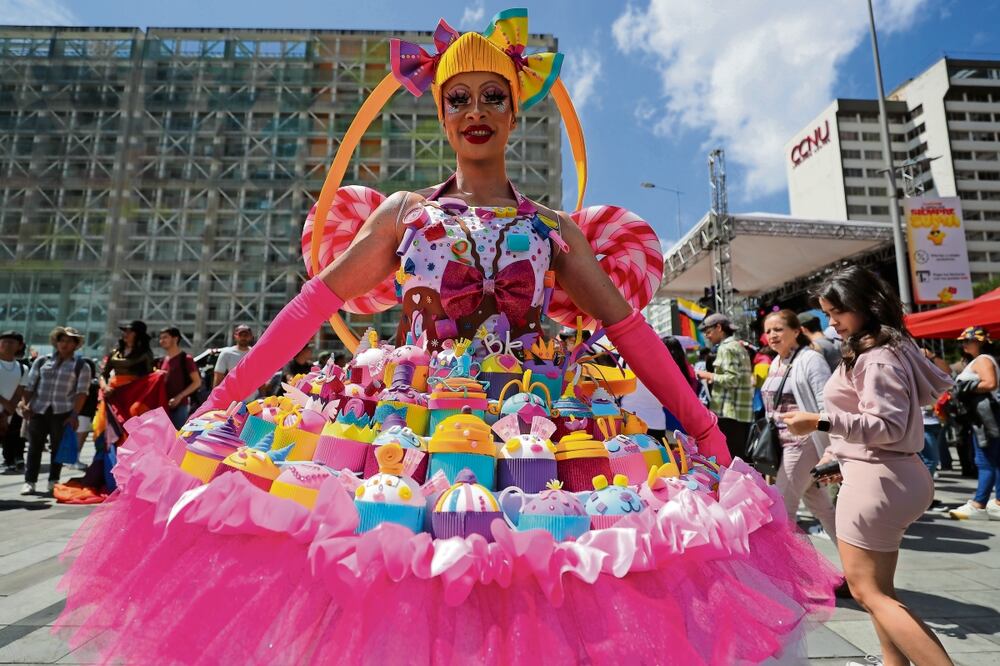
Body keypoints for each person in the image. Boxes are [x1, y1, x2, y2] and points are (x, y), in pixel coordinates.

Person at [55, 11, 840, 663]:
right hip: (405, 423)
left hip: (539, 431)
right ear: (440, 112)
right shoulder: (403, 213)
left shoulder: (553, 229)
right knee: (397, 573)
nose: (475, 111)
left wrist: (704, 431)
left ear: (514, 108)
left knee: (538, 582)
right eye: (457, 96)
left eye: (492, 96)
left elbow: (629, 330)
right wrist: (222, 401)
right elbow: (312, 305)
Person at [783, 266, 953, 666]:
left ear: (863, 306)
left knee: (866, 592)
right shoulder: (889, 348)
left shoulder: (876, 357)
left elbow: (887, 425)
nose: (831, 323)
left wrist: (819, 421)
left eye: (836, 312)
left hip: (878, 478)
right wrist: (840, 453)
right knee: (881, 590)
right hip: (888, 474)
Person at [761, 310, 837, 542]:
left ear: (796, 331)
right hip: (783, 445)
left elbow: (826, 401)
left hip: (803, 443)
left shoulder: (810, 359)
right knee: (823, 509)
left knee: (782, 510)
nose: (772, 335)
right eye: (768, 331)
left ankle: (795, 575)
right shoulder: (776, 361)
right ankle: (856, 566)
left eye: (778, 329)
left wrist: (831, 447)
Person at [18, 327, 92, 495]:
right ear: (56, 343)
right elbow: (30, 386)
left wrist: (74, 414)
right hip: (38, 409)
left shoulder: (81, 366)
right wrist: (24, 403)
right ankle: (30, 481)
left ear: (75, 345)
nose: (64, 344)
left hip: (63, 411)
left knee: (58, 448)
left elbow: (82, 393)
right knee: (34, 447)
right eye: (62, 340)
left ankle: (53, 480)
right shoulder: (42, 361)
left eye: (69, 341)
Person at [949, 326, 1000, 520]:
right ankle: (996, 503)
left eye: (967, 341)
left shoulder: (983, 360)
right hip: (987, 415)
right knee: (993, 460)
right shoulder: (983, 360)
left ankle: (979, 504)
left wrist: (965, 388)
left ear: (979, 342)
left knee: (984, 459)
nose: (963, 344)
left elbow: (990, 383)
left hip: (986, 416)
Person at [695, 312, 754, 460]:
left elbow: (732, 379)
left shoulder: (726, 348)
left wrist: (706, 375)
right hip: (738, 412)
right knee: (739, 460)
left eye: (708, 332)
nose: (707, 336)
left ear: (719, 328)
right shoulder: (737, 346)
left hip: (730, 413)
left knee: (732, 460)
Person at [158, 327, 202, 429]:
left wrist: (179, 397)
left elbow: (197, 382)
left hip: (180, 407)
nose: (161, 341)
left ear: (175, 339)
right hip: (164, 406)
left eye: (165, 337)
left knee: (178, 437)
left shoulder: (186, 359)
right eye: (160, 338)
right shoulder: (162, 360)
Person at [213, 324, 262, 400]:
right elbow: (218, 378)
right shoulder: (226, 353)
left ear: (251, 337)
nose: (243, 337)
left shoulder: (256, 353)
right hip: (231, 400)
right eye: (240, 335)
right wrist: (215, 399)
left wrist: (264, 396)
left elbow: (261, 377)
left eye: (246, 335)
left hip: (253, 400)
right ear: (235, 336)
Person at [0, 331, 26, 473]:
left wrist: (6, 412)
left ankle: (13, 459)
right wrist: (5, 404)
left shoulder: (23, 369)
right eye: (4, 341)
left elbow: (19, 392)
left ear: (19, 346)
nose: (7, 345)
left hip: (7, 415)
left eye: (11, 342)